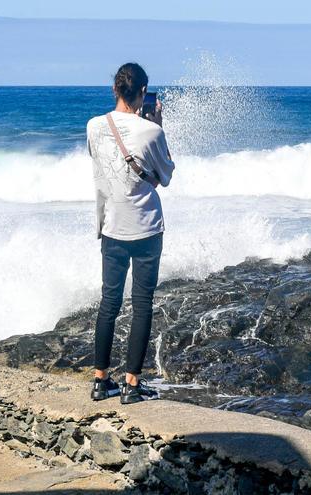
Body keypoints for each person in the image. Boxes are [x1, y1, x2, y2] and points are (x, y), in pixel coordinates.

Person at [86, 63, 175, 404]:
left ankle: (100, 381)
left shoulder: (94, 126)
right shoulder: (150, 131)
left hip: (111, 226)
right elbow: (165, 176)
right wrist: (158, 125)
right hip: (146, 228)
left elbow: (99, 164)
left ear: (114, 90)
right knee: (141, 306)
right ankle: (132, 385)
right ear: (142, 94)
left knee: (108, 302)